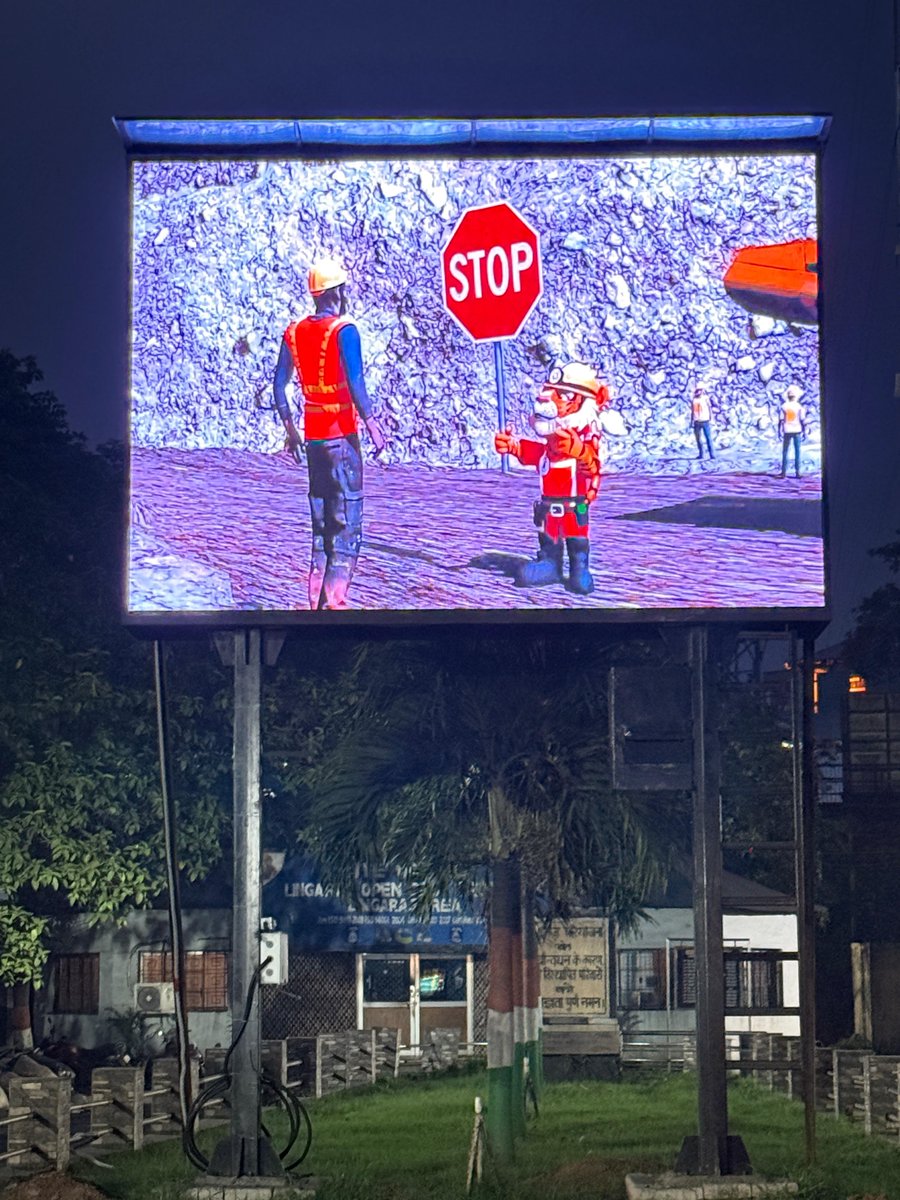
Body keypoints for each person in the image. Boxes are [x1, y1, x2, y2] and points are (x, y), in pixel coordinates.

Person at [273, 257, 385, 610]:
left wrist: (291, 432)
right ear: (337, 292)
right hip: (342, 439)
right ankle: (335, 601)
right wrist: (373, 425)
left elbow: (279, 386)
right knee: (346, 522)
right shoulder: (344, 331)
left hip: (313, 440)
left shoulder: (293, 332)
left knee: (321, 524)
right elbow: (356, 383)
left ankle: (314, 602)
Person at [494, 361, 625, 596]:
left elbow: (592, 467)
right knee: (548, 537)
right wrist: (512, 446)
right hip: (548, 507)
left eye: (563, 395)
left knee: (577, 539)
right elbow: (534, 453)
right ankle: (550, 564)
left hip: (574, 505)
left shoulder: (584, 441)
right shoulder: (550, 447)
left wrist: (579, 450)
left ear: (582, 403)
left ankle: (579, 568)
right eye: (549, 391)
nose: (547, 398)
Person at [778, 384, 805, 478]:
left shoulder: (784, 406)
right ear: (795, 396)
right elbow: (802, 420)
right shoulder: (799, 406)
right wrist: (805, 431)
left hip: (787, 430)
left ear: (788, 396)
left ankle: (783, 472)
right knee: (797, 451)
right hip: (797, 430)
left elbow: (781, 420)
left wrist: (779, 431)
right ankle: (798, 472)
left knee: (785, 451)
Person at [690, 384, 715, 460]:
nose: (698, 392)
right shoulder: (694, 399)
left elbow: (710, 408)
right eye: (697, 391)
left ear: (702, 391)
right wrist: (692, 420)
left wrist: (711, 417)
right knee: (698, 438)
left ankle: (712, 454)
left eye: (699, 390)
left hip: (705, 420)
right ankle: (701, 454)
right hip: (696, 421)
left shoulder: (705, 398)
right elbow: (693, 411)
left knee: (708, 438)